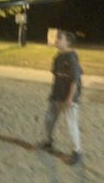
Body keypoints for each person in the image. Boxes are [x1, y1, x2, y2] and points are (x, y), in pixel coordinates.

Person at [40, 30, 83, 165]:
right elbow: (56, 77)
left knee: (71, 125)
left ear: (68, 43)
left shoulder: (71, 57)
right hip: (56, 96)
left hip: (69, 99)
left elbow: (75, 80)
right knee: (49, 120)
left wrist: (69, 99)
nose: (56, 40)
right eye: (56, 38)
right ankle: (49, 142)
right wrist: (54, 95)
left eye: (60, 38)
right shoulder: (57, 57)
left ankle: (77, 152)